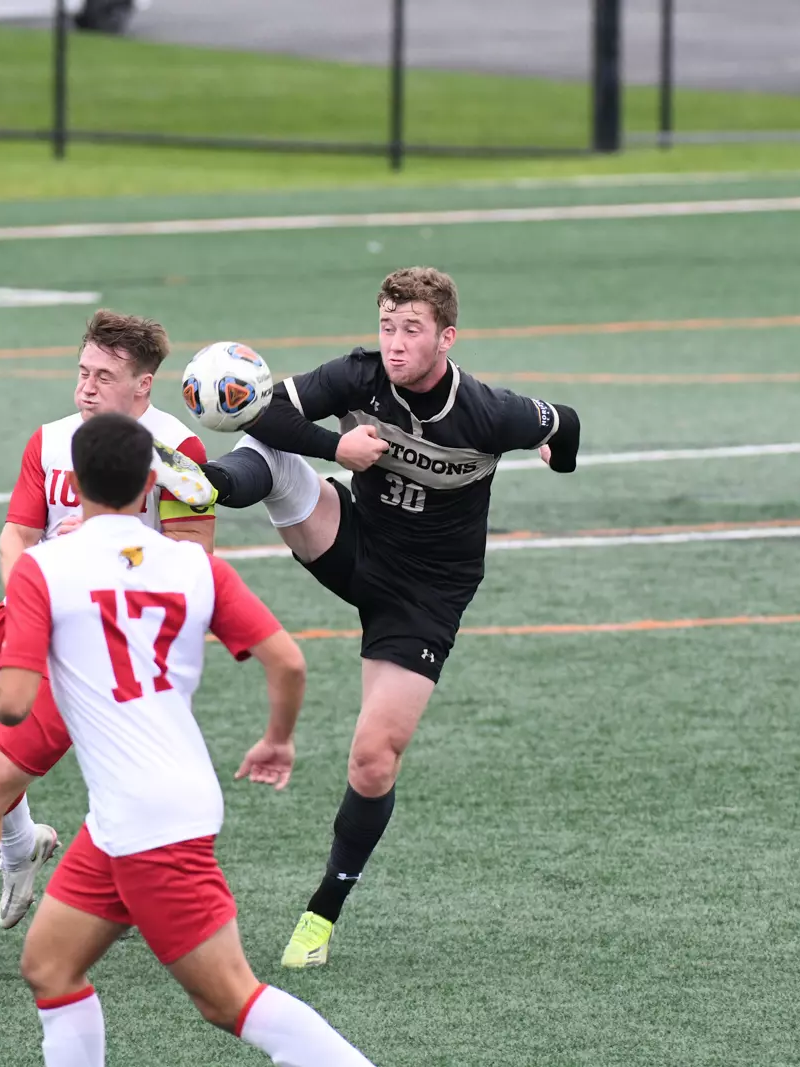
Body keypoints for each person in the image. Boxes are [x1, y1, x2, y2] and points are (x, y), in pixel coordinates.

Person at [200, 266, 581, 967]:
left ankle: (320, 916)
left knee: (373, 761)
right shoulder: (359, 375)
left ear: (446, 336)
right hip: (353, 539)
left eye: (412, 330)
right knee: (274, 453)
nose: (397, 343)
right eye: (388, 326)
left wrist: (559, 456)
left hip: (425, 596)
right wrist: (335, 447)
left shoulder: (491, 412)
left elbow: (566, 421)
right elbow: (265, 413)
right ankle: (204, 482)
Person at [0, 413, 375, 1067]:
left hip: (147, 819)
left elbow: (16, 706)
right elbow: (288, 662)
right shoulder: (193, 566)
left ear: (73, 484)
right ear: (148, 488)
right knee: (50, 964)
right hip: (132, 810)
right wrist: (278, 739)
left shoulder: (43, 568)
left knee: (229, 1000)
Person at [0, 310, 218, 982]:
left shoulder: (176, 453)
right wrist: (33, 602)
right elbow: (15, 535)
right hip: (28, 619)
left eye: (104, 377)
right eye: (82, 372)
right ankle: (23, 843)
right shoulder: (51, 441)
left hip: (98, 647)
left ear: (143, 386)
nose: (86, 388)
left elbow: (195, 558)